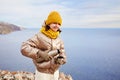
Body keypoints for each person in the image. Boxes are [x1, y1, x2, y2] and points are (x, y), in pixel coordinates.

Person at [21, 11, 67, 80]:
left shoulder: (59, 39)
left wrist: (62, 59)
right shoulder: (39, 36)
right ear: (49, 23)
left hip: (55, 73)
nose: (57, 25)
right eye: (54, 23)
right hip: (42, 74)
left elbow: (62, 52)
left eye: (59, 24)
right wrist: (39, 53)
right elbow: (24, 47)